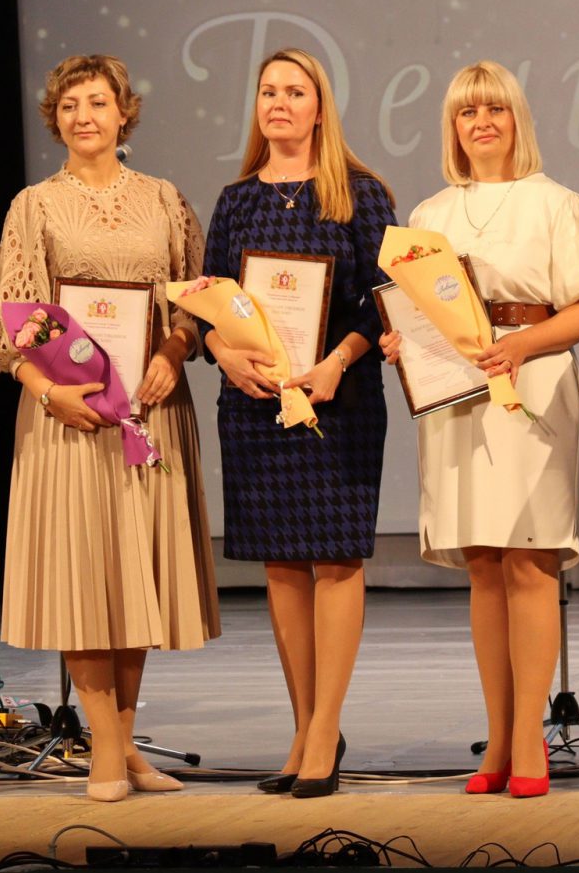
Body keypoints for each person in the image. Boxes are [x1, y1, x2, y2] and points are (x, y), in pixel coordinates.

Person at [381, 62, 579, 799]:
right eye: (467, 111)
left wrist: (522, 346)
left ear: (518, 119)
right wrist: (401, 339)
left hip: (532, 382)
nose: (481, 122)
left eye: (495, 109)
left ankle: (532, 739)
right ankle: (501, 736)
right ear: (452, 126)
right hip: (456, 393)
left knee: (529, 558)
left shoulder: (558, 205)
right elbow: (417, 307)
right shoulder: (429, 214)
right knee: (483, 561)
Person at [0, 54, 220, 801]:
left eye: (97, 102)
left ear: (124, 112)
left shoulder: (164, 199)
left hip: (148, 411)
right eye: (69, 105)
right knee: (84, 578)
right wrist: (46, 391)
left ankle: (123, 749)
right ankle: (104, 752)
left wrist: (174, 351)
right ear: (53, 118)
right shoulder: (34, 205)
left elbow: (192, 304)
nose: (83, 116)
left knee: (133, 578)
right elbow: (15, 322)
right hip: (67, 416)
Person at [197, 48, 395, 800]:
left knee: (336, 559)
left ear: (320, 107)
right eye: (268, 91)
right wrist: (222, 353)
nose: (279, 102)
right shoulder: (235, 200)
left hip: (339, 398)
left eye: (295, 91)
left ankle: (325, 729)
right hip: (255, 402)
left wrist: (339, 360)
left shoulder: (361, 194)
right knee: (281, 563)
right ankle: (305, 725)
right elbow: (209, 301)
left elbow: (385, 299)